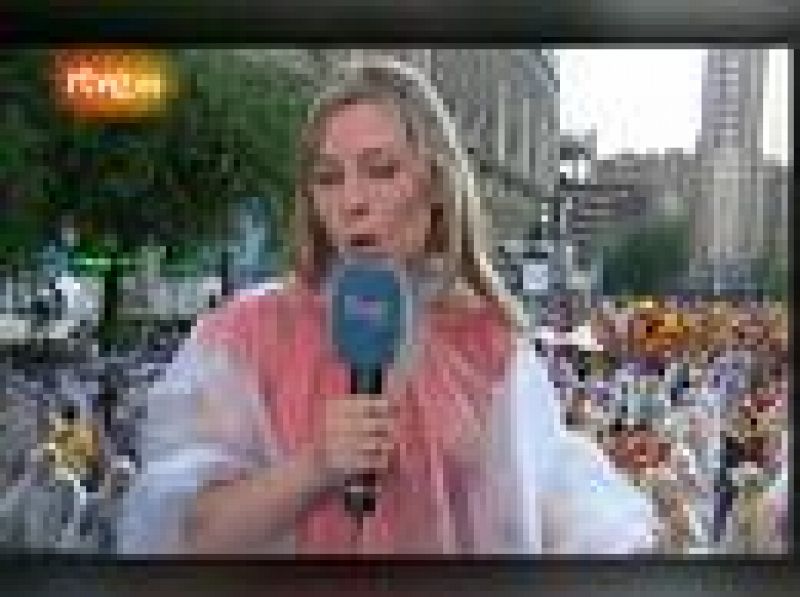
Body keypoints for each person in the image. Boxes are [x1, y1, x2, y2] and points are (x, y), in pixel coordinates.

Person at [119, 56, 690, 555]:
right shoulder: (243, 336)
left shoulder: (488, 346)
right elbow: (184, 533)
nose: (353, 202)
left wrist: (630, 541)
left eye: (381, 170)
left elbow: (549, 492)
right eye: (328, 178)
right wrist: (316, 465)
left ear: (436, 183)